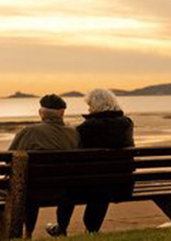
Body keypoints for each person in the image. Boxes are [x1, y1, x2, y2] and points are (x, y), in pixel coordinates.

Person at [46, 89, 134, 237]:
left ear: (96, 106)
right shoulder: (127, 124)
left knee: (69, 186)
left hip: (94, 185)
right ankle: (92, 229)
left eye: (90, 105)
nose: (89, 109)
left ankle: (61, 227)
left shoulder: (87, 128)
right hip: (122, 184)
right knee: (103, 182)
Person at [7, 94, 80, 239]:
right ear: (62, 112)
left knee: (28, 187)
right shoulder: (74, 133)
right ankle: (62, 229)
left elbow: (9, 159)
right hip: (66, 190)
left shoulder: (29, 131)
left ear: (41, 113)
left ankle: (28, 233)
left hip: (35, 191)